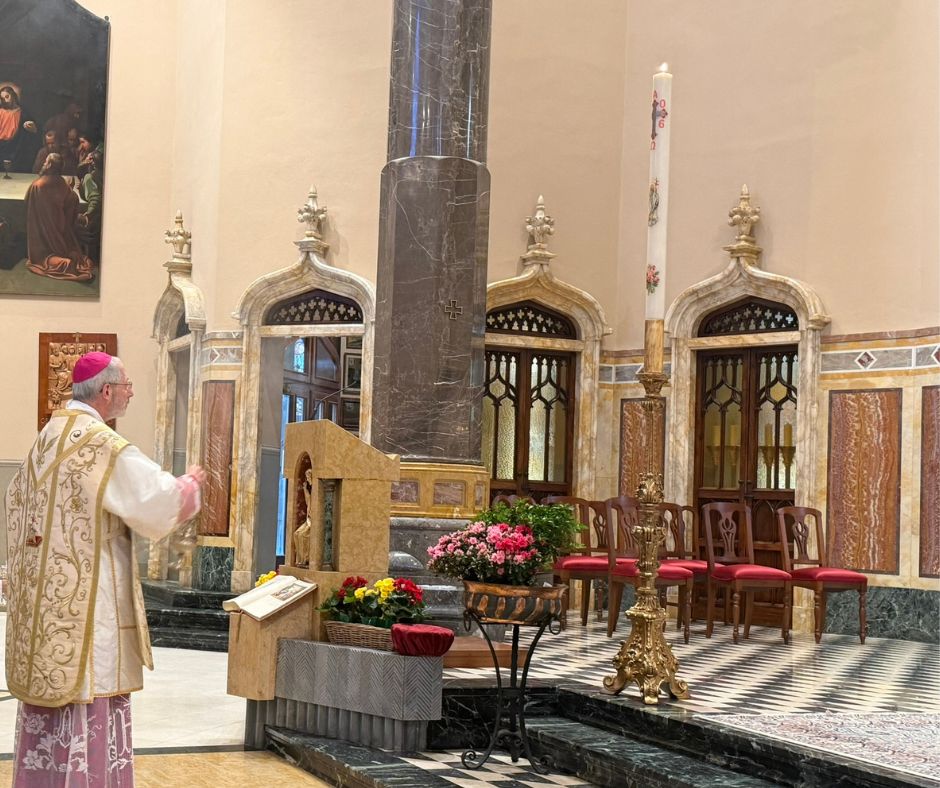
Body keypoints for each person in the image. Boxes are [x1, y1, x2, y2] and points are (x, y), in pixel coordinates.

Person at [4, 351, 206, 785]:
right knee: (85, 690)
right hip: (88, 606)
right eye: (129, 384)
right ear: (108, 390)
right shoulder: (100, 445)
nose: (132, 392)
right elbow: (154, 500)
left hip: (48, 608)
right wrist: (189, 486)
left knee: (57, 694)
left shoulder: (47, 438)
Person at [24, 151, 95, 281]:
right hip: (61, 230)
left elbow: (27, 201)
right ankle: (68, 258)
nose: (44, 164)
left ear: (50, 165)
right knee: (68, 250)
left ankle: (65, 264)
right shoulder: (62, 182)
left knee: (42, 257)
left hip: (43, 233)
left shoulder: (37, 185)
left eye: (46, 161)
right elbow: (72, 200)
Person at [0, 83, 38, 170]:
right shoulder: (1, 112)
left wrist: (32, 127)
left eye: (7, 96)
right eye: (2, 98)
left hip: (16, 147)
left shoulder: (23, 113)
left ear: (13, 96)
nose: (5, 100)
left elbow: (33, 131)